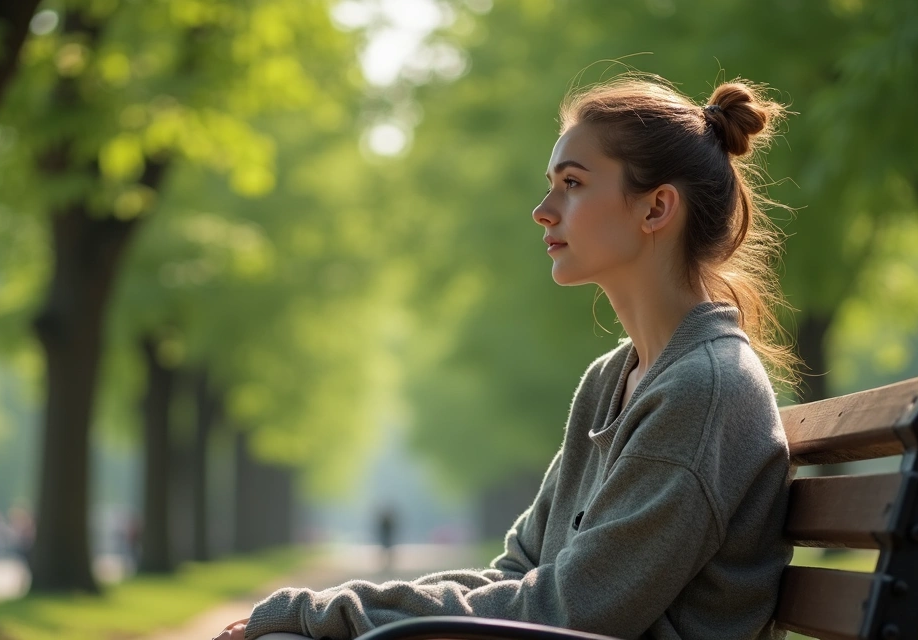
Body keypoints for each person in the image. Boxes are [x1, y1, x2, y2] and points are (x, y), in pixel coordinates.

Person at [214, 75, 797, 640]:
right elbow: (519, 572)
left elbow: (567, 609)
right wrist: (329, 614)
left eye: (572, 183)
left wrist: (328, 614)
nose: (543, 210)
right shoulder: (612, 379)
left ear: (655, 209)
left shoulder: (705, 389)